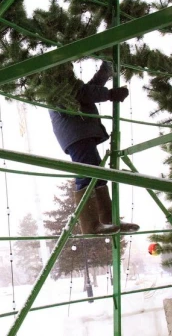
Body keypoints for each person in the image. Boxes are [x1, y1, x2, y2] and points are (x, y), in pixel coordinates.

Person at [49, 61, 140, 235]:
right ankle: (91, 225)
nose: (71, 70)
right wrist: (111, 94)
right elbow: (83, 93)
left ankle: (107, 220)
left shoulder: (61, 82)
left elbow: (87, 90)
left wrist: (104, 73)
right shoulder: (58, 83)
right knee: (87, 174)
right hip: (76, 132)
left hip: (78, 132)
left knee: (97, 174)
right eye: (68, 67)